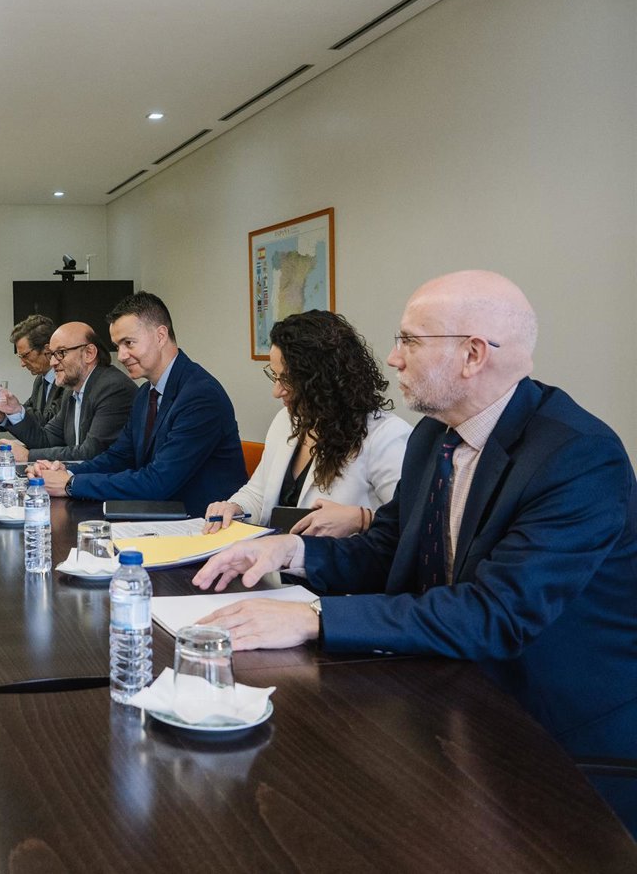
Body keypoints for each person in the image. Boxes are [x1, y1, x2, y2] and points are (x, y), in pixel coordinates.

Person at [192, 270, 637, 834]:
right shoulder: (433, 436)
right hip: (444, 694)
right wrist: (290, 551)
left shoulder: (577, 456)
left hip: (552, 736)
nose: (393, 358)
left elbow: (494, 613)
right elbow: (388, 547)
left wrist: (314, 619)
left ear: (473, 355)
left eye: (409, 340)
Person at [35, 292, 247, 516]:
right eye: (118, 345)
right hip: (159, 515)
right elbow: (119, 457)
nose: (121, 355)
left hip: (202, 523)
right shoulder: (146, 393)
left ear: (160, 336)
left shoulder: (200, 395)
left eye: (129, 343)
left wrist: (71, 484)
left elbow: (158, 481)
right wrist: (67, 471)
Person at [203, 310, 411, 536]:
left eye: (287, 380)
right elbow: (258, 493)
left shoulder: (386, 436)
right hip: (274, 553)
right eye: (275, 376)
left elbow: (409, 522)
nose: (276, 391)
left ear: (323, 381)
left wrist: (362, 519)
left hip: (334, 557)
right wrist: (235, 507)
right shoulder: (286, 420)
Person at [0, 321, 135, 463]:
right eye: (52, 354)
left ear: (89, 353)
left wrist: (29, 456)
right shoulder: (71, 392)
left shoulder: (112, 388)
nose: (53, 362)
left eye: (61, 353)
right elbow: (46, 439)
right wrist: (13, 411)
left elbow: (92, 453)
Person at [10, 314, 64, 424]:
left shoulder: (67, 379)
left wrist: (12, 408)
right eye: (20, 357)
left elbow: (48, 422)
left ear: (47, 350)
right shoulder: (40, 380)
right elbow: (27, 412)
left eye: (25, 356)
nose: (22, 364)